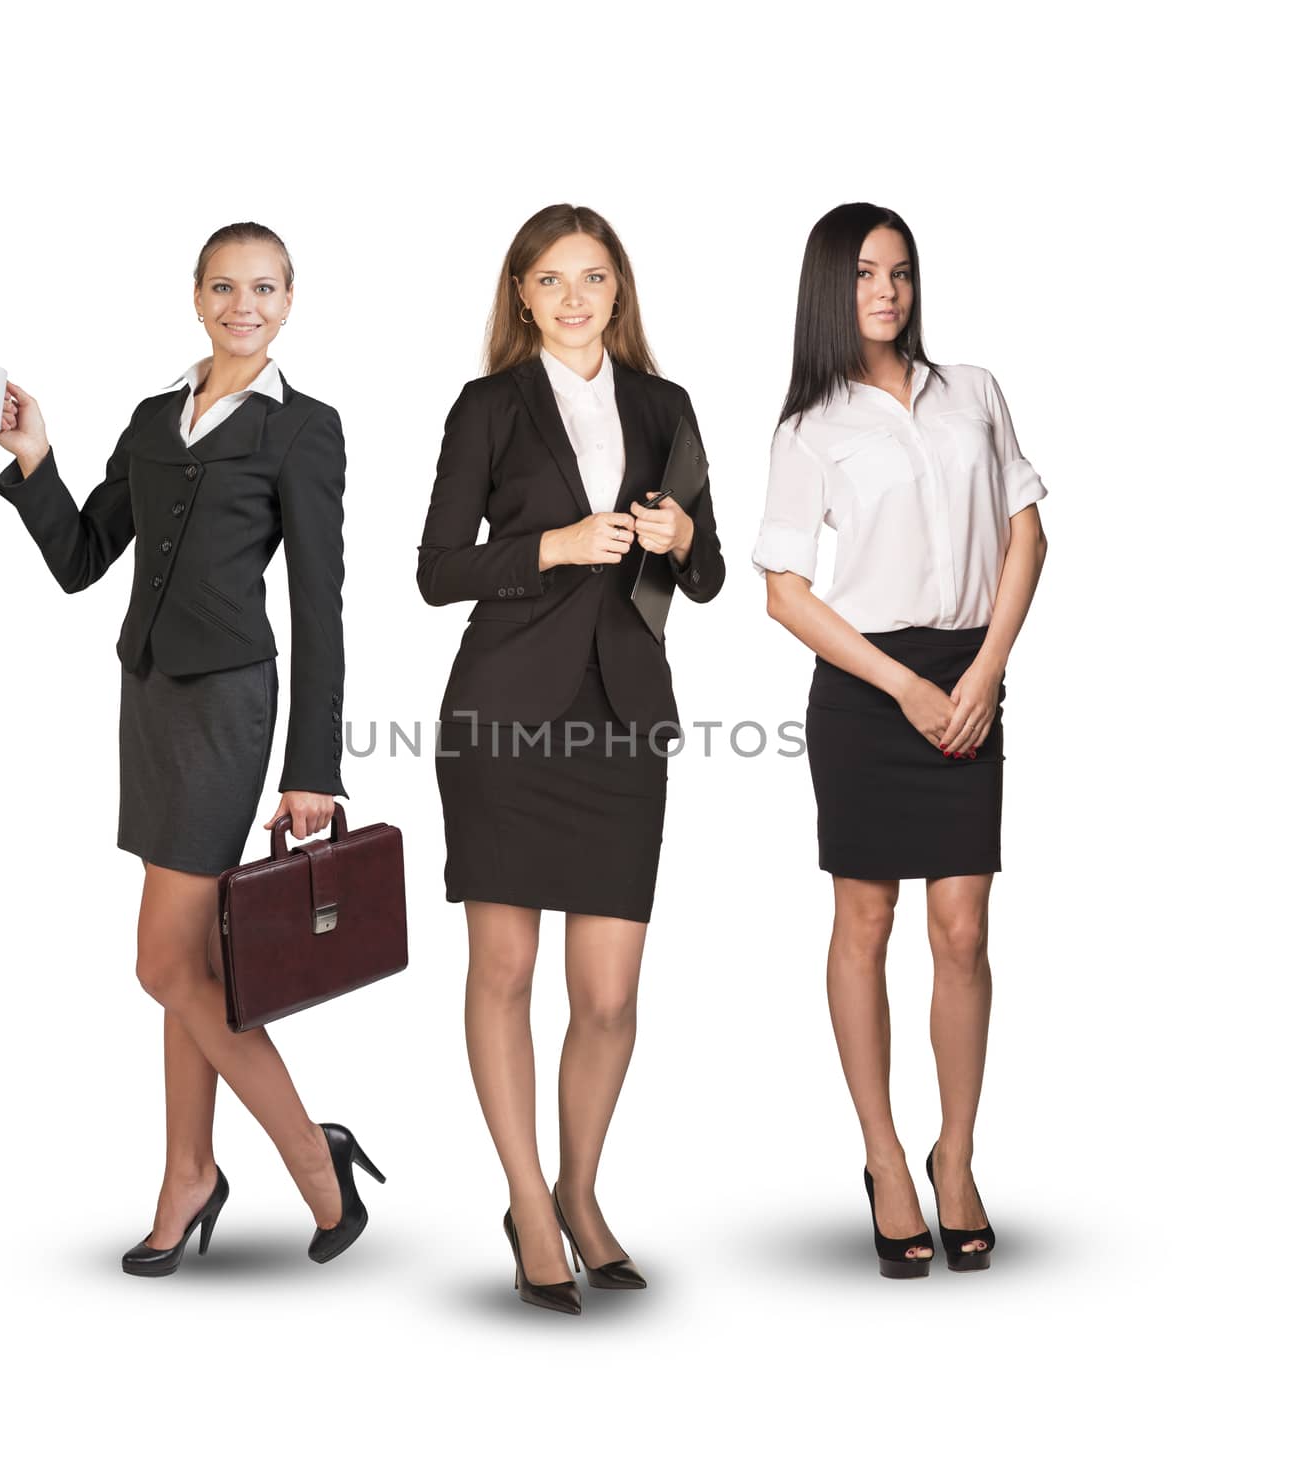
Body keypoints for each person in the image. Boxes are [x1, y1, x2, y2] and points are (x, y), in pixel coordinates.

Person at [0, 221, 381, 1275]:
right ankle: (188, 1173)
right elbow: (83, 558)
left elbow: (319, 608)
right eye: (222, 285)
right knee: (191, 963)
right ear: (195, 294)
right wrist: (35, 461)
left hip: (230, 710)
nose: (241, 305)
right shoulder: (156, 416)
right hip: (151, 701)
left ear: (288, 301)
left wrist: (312, 767)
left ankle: (312, 1156)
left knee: (160, 959)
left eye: (263, 287)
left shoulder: (306, 430)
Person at [417, 203, 724, 1313]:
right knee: (503, 974)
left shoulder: (665, 405)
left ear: (619, 291)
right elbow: (438, 567)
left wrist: (682, 539)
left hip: (622, 720)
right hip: (502, 718)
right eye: (552, 279)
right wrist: (550, 545)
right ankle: (527, 1203)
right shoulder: (489, 406)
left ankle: (578, 1189)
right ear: (522, 296)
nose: (576, 296)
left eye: (594, 277)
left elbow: (709, 573)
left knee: (607, 996)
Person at [753, 203, 1048, 1277]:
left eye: (901, 272)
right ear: (830, 288)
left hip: (970, 673)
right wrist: (902, 687)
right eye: (865, 273)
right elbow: (784, 592)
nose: (885, 291)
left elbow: (1026, 533)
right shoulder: (807, 428)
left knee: (961, 927)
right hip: (867, 688)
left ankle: (955, 1156)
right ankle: (883, 1157)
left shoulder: (972, 391)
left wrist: (981, 672)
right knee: (864, 918)